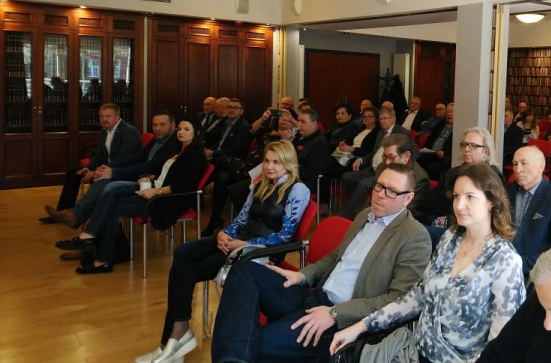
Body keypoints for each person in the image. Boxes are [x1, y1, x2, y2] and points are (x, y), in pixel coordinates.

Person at [210, 163, 432, 362]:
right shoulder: (365, 215)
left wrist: (335, 313)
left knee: (256, 344)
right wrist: (303, 275)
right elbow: (336, 257)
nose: (381, 195)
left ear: (408, 198)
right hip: (315, 296)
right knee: (244, 271)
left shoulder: (414, 236)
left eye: (391, 191)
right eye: (379, 186)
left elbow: (397, 300)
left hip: (343, 318)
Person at [133, 140, 311, 363]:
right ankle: (177, 335)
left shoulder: (298, 189)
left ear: (289, 163)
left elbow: (285, 235)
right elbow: (241, 219)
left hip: (258, 251)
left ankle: (174, 339)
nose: (269, 166)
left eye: (276, 162)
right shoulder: (261, 184)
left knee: (186, 271)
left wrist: (244, 244)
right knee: (183, 253)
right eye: (267, 161)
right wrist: (224, 233)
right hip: (237, 241)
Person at [329, 163, 526, 362]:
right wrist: (361, 326)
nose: (459, 205)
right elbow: (417, 296)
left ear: (491, 202)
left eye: (470, 197)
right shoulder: (451, 239)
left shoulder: (505, 261)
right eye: (456, 196)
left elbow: (503, 343)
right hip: (416, 352)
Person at [63, 119, 208, 274]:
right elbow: (166, 173)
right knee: (112, 195)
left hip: (168, 200)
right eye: (179, 129)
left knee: (112, 209)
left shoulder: (195, 154)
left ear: (196, 133)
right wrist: (150, 178)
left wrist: (156, 191)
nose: (181, 132)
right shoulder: (179, 149)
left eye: (186, 129)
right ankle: (96, 245)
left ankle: (99, 253)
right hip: (154, 189)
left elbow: (185, 186)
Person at [44, 110, 179, 230]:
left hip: (151, 182)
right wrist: (108, 168)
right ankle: (76, 217)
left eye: (162, 125)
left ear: (172, 126)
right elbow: (137, 157)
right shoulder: (157, 139)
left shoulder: (172, 143)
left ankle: (80, 220)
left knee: (106, 184)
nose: (157, 128)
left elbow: (149, 165)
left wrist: (112, 172)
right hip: (140, 175)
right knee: (94, 179)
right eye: (154, 125)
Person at [41, 102, 142, 219]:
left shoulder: (129, 132)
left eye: (108, 116)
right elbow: (99, 155)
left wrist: (96, 172)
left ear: (117, 117)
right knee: (73, 173)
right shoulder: (104, 131)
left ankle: (75, 214)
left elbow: (123, 160)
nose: (104, 119)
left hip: (124, 171)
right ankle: (62, 212)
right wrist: (87, 168)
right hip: (108, 167)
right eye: (101, 116)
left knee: (101, 180)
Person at [412, 127, 506, 246]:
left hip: (468, 232)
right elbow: (430, 203)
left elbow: (491, 215)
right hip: (441, 223)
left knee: (415, 234)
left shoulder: (493, 177)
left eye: (473, 146)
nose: (466, 149)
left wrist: (444, 221)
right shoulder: (454, 173)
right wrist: (431, 219)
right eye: (464, 145)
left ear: (486, 152)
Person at [506, 146, 551, 276]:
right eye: (515, 164)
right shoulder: (507, 190)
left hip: (533, 271)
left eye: (524, 163)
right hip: (501, 259)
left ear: (541, 167)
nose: (518, 169)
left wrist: (521, 264)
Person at [418, 105, 455, 180]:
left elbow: (457, 149)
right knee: (416, 163)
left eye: (452, 112)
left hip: (441, 159)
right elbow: (430, 138)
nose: (449, 114)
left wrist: (445, 153)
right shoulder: (441, 123)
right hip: (430, 153)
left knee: (431, 170)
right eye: (447, 112)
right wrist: (425, 149)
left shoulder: (458, 129)